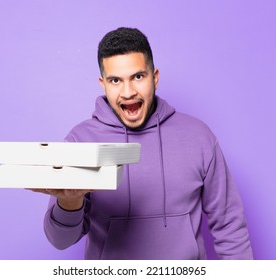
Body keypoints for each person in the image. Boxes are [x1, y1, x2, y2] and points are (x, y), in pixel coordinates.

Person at [32, 27, 253, 259]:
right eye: (115, 80)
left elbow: (230, 226)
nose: (128, 92)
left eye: (138, 77)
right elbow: (60, 241)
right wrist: (70, 202)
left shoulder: (198, 136)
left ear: (154, 77)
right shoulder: (81, 142)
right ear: (103, 84)